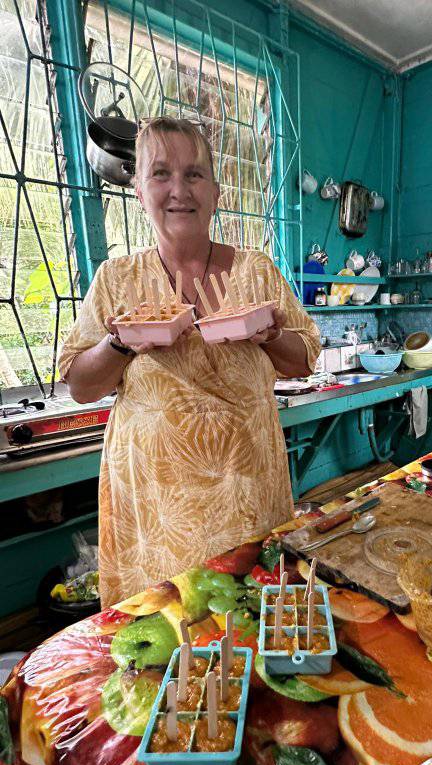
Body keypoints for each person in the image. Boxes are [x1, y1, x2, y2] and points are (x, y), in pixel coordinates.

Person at [59, 117, 321, 607]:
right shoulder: (117, 279)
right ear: (138, 190)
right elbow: (81, 386)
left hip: (247, 501)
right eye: (160, 173)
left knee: (248, 623)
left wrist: (270, 333)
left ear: (216, 191)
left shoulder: (256, 270)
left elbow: (303, 358)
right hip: (157, 516)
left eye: (194, 173)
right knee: (166, 636)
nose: (179, 189)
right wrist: (121, 342)